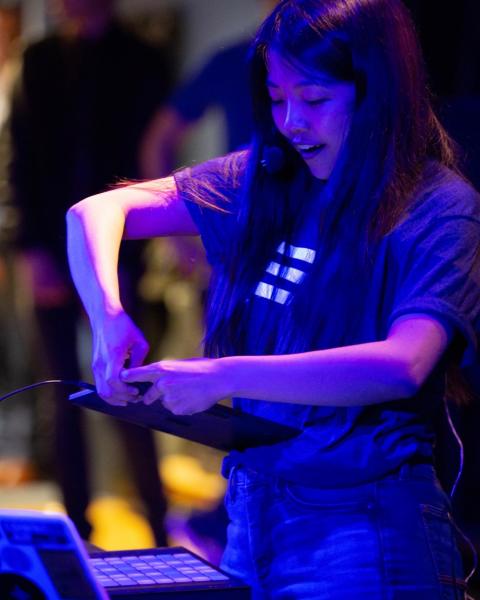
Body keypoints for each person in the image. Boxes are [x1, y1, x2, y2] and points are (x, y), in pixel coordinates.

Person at [67, 0, 480, 597]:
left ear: (379, 94)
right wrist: (110, 319)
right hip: (253, 518)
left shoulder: (439, 206)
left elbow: (402, 364)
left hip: (366, 528)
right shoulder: (263, 178)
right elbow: (95, 212)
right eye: (277, 98)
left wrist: (220, 375)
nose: (291, 123)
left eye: (314, 99)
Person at [10, 0, 171, 543]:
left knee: (131, 383)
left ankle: (156, 522)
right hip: (51, 242)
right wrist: (30, 247)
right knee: (62, 392)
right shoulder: (39, 59)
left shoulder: (142, 58)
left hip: (123, 246)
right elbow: (22, 157)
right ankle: (77, 528)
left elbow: (150, 155)